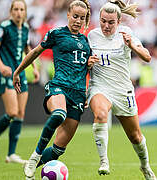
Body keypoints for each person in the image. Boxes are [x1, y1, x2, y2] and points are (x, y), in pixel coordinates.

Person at [12, 0, 97, 179]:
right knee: (59, 114)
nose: (78, 21)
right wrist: (18, 71)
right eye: (75, 16)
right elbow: (35, 52)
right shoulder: (56, 34)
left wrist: (88, 90)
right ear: (67, 15)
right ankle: (36, 155)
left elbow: (87, 69)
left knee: (59, 149)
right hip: (59, 86)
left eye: (82, 18)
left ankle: (32, 166)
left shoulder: (87, 41)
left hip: (79, 94)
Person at [87, 1, 157, 179]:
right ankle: (104, 161)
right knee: (101, 114)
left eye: (111, 22)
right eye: (103, 21)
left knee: (135, 137)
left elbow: (147, 57)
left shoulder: (127, 34)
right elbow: (83, 65)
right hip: (100, 87)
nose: (106, 26)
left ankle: (145, 166)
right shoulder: (92, 36)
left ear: (118, 22)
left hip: (122, 90)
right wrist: (87, 65)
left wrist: (132, 45)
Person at [0, 0, 39, 165]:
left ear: (25, 12)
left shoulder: (26, 28)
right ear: (11, 11)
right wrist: (1, 66)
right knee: (12, 112)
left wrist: (35, 67)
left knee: (20, 113)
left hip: (20, 73)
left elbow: (27, 49)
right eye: (15, 9)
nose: (18, 12)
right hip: (6, 73)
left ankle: (11, 154)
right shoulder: (4, 27)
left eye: (21, 9)